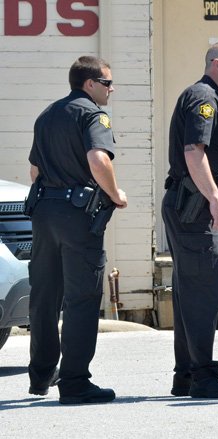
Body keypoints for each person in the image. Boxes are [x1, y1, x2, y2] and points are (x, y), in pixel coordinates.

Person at [27, 56, 128, 404]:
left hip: (43, 212)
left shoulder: (48, 114)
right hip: (77, 216)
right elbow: (98, 160)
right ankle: (74, 382)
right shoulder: (93, 115)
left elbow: (34, 172)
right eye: (107, 83)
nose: (111, 89)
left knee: (44, 297)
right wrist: (116, 195)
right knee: (81, 298)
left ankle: (41, 377)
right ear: (89, 84)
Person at [162, 41, 218, 398]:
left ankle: (187, 373)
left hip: (187, 205)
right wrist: (215, 199)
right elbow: (193, 152)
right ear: (216, 62)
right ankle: (203, 375)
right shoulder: (204, 98)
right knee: (203, 291)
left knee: (189, 292)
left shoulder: (208, 97)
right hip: (194, 208)